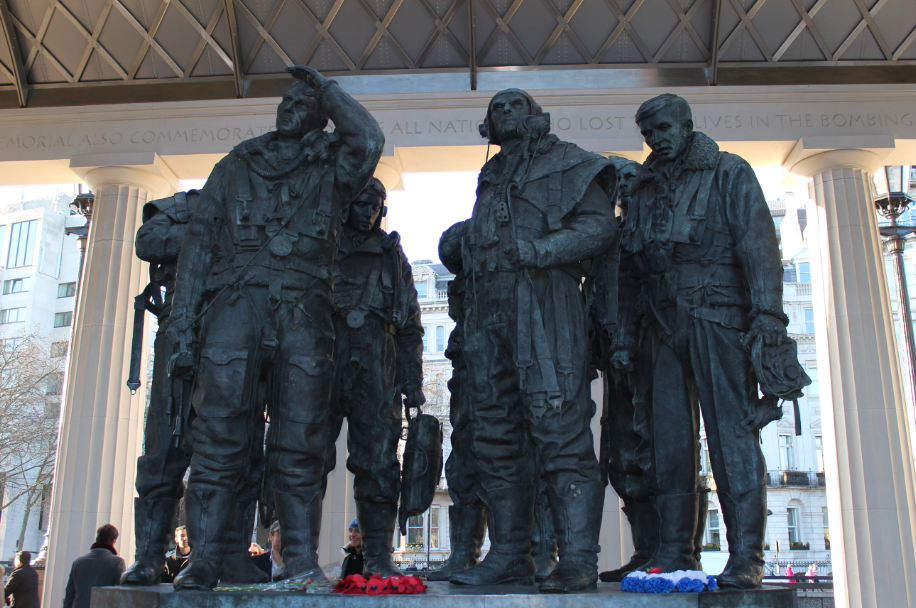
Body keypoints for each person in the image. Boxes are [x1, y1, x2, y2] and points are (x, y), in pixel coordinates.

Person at [166, 64, 384, 591]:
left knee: (302, 441)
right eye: (285, 102)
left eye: (302, 105)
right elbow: (199, 244)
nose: (289, 109)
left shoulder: (333, 166)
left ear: (321, 117)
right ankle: (206, 558)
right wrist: (182, 323)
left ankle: (302, 562)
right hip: (235, 306)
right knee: (217, 436)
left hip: (304, 311)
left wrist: (328, 89)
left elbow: (369, 140)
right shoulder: (237, 163)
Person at [617, 93, 794, 588]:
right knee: (667, 442)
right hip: (660, 323)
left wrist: (768, 317)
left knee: (732, 437)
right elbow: (629, 267)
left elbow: (759, 248)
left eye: (663, 129)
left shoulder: (729, 171)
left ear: (687, 125)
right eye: (648, 133)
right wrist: (626, 332)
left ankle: (746, 556)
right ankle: (675, 549)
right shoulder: (643, 186)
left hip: (719, 319)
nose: (656, 139)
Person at [446, 89, 618, 593]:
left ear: (536, 116)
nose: (505, 112)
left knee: (560, 432)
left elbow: (599, 228)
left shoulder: (570, 161)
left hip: (545, 310)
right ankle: (508, 556)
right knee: (494, 436)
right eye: (496, 108)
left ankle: (578, 559)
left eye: (515, 104)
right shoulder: (492, 174)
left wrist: (540, 251)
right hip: (487, 317)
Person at [121, 189, 268, 587]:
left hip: (243, 336)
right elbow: (148, 241)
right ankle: (150, 556)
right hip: (182, 335)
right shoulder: (186, 205)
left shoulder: (265, 206)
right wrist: (209, 232)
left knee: (243, 449)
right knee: (164, 447)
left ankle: (230, 555)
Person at [593, 157, 708, 582]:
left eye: (630, 179)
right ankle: (645, 550)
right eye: (617, 184)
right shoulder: (608, 237)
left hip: (657, 347)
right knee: (625, 457)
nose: (623, 189)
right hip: (617, 356)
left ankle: (680, 549)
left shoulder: (661, 227)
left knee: (667, 452)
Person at [323, 177, 424, 577]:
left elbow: (410, 326)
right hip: (325, 360)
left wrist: (412, 381)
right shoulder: (323, 245)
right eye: (361, 204)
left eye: (375, 206)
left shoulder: (391, 256)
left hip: (378, 365)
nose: (368, 212)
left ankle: (379, 558)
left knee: (379, 463)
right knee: (307, 457)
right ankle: (300, 559)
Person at [62, 525, 125, 608]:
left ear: (97, 538)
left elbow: (69, 596)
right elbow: (121, 595)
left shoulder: (78, 562)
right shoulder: (117, 562)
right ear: (113, 541)